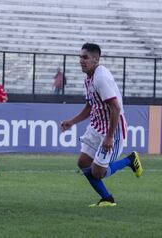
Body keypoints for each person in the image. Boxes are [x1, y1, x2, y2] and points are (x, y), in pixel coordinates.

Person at [60, 43, 143, 207]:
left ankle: (130, 160)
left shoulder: (101, 78)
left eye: (85, 57)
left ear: (96, 59)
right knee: (83, 163)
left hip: (113, 128)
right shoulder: (88, 78)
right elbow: (90, 106)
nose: (81, 60)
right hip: (97, 125)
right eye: (80, 57)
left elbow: (115, 107)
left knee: (98, 172)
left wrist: (109, 137)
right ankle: (107, 199)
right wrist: (72, 121)